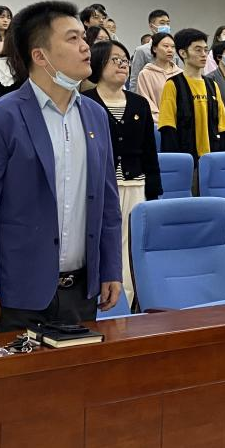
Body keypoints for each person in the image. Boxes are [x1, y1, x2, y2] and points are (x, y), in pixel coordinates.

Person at [0, 1, 122, 332]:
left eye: (84, 38)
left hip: (81, 292)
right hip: (17, 295)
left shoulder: (95, 115)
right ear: (40, 56)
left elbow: (107, 202)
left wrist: (110, 269)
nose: (85, 47)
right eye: (73, 38)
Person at [84, 39, 160, 306]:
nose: (122, 65)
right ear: (98, 64)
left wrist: (153, 191)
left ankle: (126, 302)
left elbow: (149, 151)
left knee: (129, 246)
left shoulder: (139, 104)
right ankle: (96, 299)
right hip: (97, 187)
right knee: (102, 240)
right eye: (115, 60)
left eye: (125, 61)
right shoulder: (85, 102)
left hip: (134, 183)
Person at [160, 29, 225, 187]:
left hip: (211, 160)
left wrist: (221, 160)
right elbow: (167, 128)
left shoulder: (212, 85)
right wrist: (177, 165)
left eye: (205, 50)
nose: (203, 54)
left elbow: (224, 126)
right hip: (187, 162)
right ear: (183, 53)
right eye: (198, 50)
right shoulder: (173, 85)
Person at [135, 31, 180, 122]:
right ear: (155, 49)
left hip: (182, 123)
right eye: (166, 46)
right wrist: (164, 120)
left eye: (173, 47)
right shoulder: (146, 74)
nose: (170, 50)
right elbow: (145, 101)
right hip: (158, 123)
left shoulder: (180, 73)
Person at [129, 9, 171, 85]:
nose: (166, 26)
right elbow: (135, 79)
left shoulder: (172, 49)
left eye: (168, 23)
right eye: (162, 23)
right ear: (151, 26)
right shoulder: (142, 50)